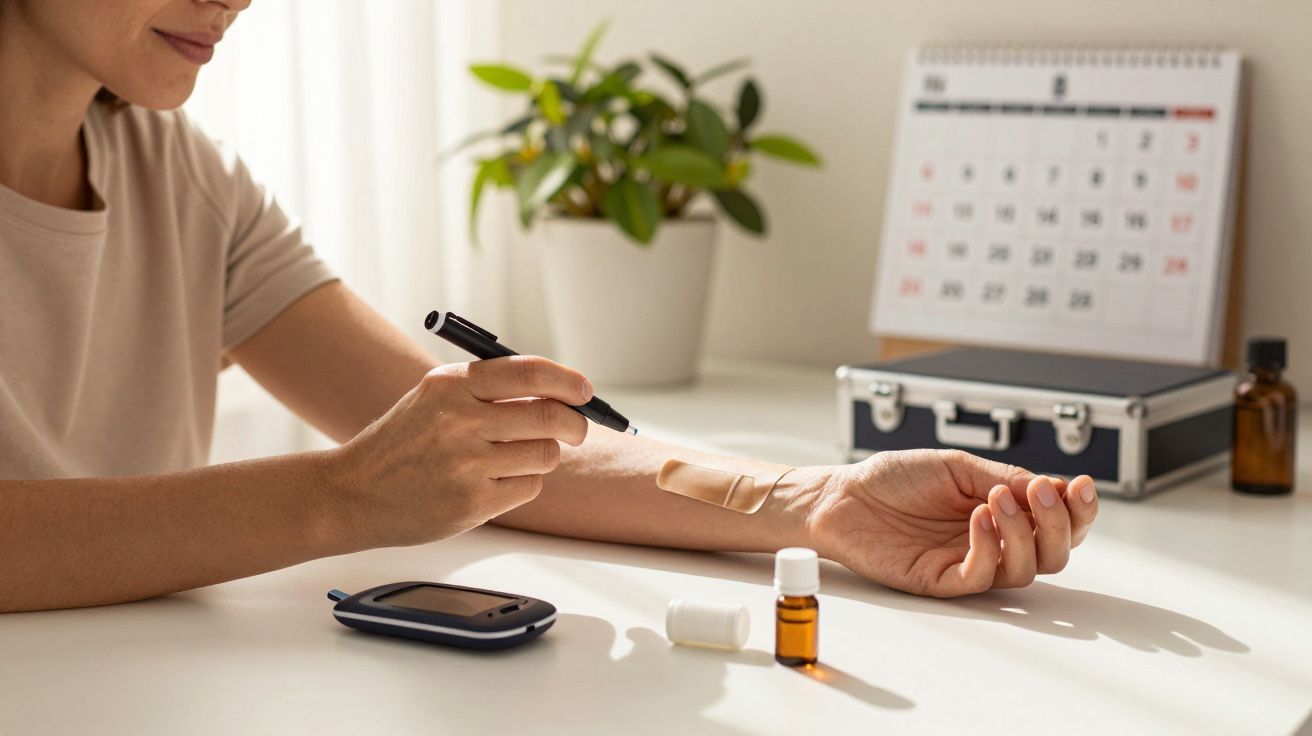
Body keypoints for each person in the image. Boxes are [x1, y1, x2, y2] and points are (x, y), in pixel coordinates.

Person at [0, 0, 1098, 613]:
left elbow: (477, 450)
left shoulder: (183, 180)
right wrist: (342, 497)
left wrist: (812, 504)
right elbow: (374, 480)